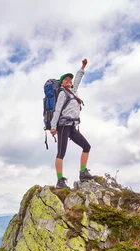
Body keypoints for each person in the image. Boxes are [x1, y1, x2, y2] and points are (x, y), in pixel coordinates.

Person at [50, 58, 96, 189]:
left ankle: (83, 173)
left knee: (86, 146)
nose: (69, 81)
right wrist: (53, 127)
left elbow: (77, 79)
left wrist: (82, 67)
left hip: (72, 126)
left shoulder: (73, 91)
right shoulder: (62, 94)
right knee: (61, 153)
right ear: (62, 83)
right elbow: (57, 110)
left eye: (70, 80)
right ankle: (60, 181)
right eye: (66, 80)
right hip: (63, 126)